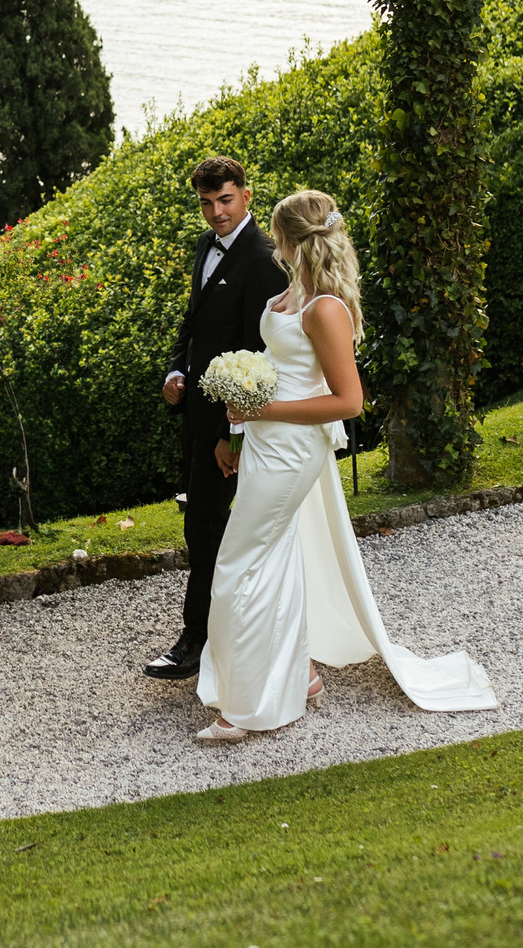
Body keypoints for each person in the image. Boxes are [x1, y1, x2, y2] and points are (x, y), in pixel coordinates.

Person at [195, 189, 497, 741]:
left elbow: (350, 402)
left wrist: (265, 407)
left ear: (287, 239)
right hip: (265, 440)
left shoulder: (326, 308)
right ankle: (301, 672)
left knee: (239, 565)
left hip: (293, 448)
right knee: (275, 559)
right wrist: (245, 404)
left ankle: (247, 706)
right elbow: (278, 363)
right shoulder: (291, 293)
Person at [143, 156, 289, 682]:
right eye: (206, 203)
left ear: (246, 195)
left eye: (225, 200)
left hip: (231, 427)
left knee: (206, 528)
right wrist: (175, 369)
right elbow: (194, 322)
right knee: (206, 527)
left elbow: (259, 355)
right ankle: (235, 635)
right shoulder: (206, 245)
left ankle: (196, 643)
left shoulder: (265, 259)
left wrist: (235, 435)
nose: (216, 213)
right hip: (197, 416)